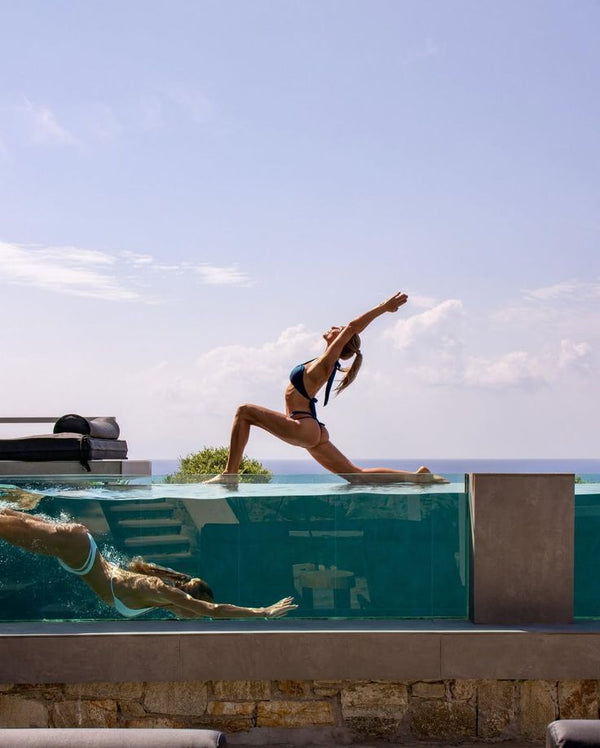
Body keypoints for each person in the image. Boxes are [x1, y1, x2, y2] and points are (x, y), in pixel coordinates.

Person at [207, 291, 446, 484]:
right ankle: (417, 477)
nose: (333, 327)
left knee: (244, 411)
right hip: (313, 429)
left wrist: (384, 307)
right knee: (356, 476)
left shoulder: (327, 363)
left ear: (340, 340)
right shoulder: (324, 363)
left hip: (302, 426)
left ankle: (230, 475)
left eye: (337, 329)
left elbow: (352, 327)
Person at [0, 506, 297, 619]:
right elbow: (216, 610)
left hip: (79, 550)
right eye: (197, 610)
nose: (197, 616)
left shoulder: (160, 597)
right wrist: (262, 612)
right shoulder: (163, 591)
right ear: (190, 599)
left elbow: (209, 609)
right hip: (78, 552)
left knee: (9, 517)